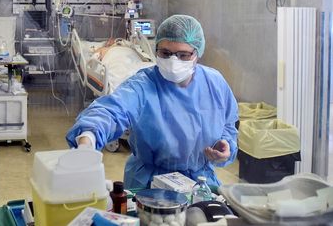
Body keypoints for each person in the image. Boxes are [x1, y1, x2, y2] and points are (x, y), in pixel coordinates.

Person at [66, 14, 238, 190]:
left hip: (201, 183)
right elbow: (111, 110)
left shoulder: (214, 83)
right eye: (165, 53)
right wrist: (87, 139)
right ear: (156, 50)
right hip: (150, 186)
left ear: (197, 53)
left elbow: (228, 125)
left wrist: (225, 145)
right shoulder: (142, 85)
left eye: (183, 55)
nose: (173, 61)